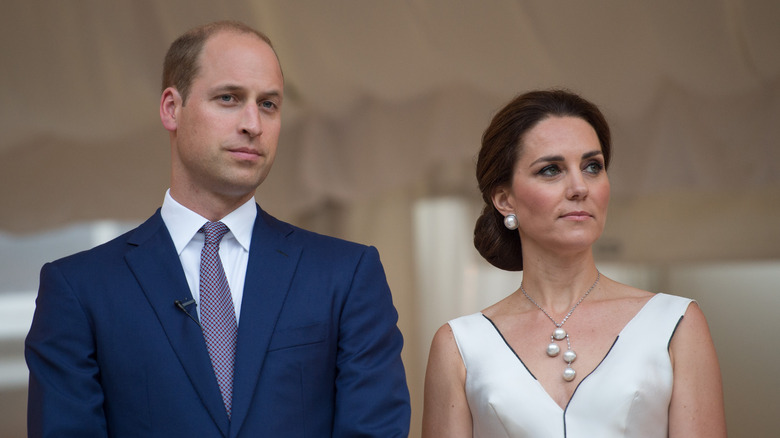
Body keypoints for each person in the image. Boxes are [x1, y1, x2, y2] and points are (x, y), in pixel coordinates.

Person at [25, 20, 410, 437]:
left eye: (269, 104)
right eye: (229, 98)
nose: (253, 124)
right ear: (172, 108)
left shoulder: (347, 273)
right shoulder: (78, 288)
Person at [421, 89, 726, 437]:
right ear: (505, 200)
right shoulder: (460, 345)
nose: (580, 187)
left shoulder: (676, 324)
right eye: (551, 170)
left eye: (592, 166)